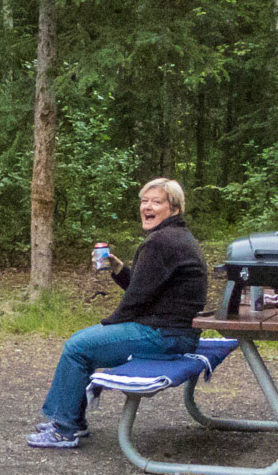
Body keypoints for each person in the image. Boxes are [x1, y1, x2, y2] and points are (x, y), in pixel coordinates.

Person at [27, 178, 208, 449]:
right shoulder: (178, 237)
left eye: (156, 202)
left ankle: (64, 430)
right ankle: (70, 419)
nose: (147, 207)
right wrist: (119, 271)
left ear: (174, 209)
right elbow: (146, 288)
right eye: (144, 201)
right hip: (177, 333)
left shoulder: (160, 242)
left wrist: (109, 324)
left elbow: (135, 300)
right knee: (85, 343)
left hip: (166, 336)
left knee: (78, 346)